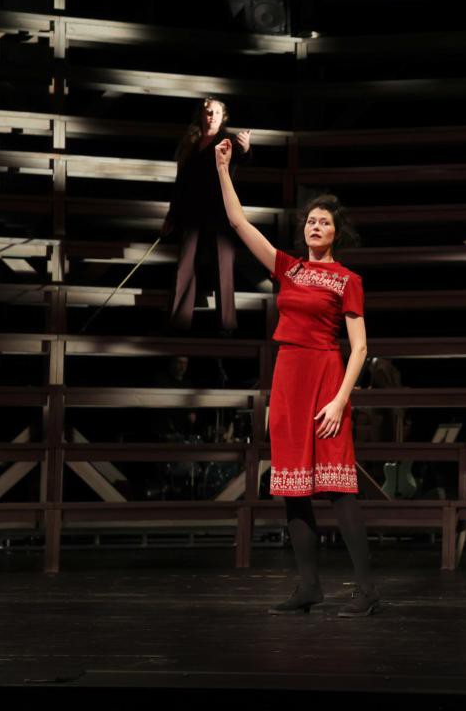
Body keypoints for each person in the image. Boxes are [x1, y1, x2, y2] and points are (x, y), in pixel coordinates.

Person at [214, 138, 378, 617]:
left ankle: (366, 590)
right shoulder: (288, 269)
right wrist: (224, 169)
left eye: (324, 221)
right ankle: (308, 586)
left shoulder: (348, 280)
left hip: (328, 379)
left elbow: (361, 346)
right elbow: (238, 223)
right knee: (293, 486)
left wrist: (340, 401)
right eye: (310, 220)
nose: (315, 225)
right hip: (288, 377)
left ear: (336, 233)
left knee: (339, 487)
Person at [163, 97, 252, 334]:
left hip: (220, 215)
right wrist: (171, 216)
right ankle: (178, 325)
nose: (210, 116)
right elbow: (180, 183)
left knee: (224, 267)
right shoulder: (190, 144)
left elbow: (242, 160)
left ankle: (227, 327)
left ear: (223, 117)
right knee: (185, 267)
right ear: (201, 115)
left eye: (215, 112)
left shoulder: (227, 141)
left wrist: (245, 148)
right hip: (191, 215)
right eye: (207, 112)